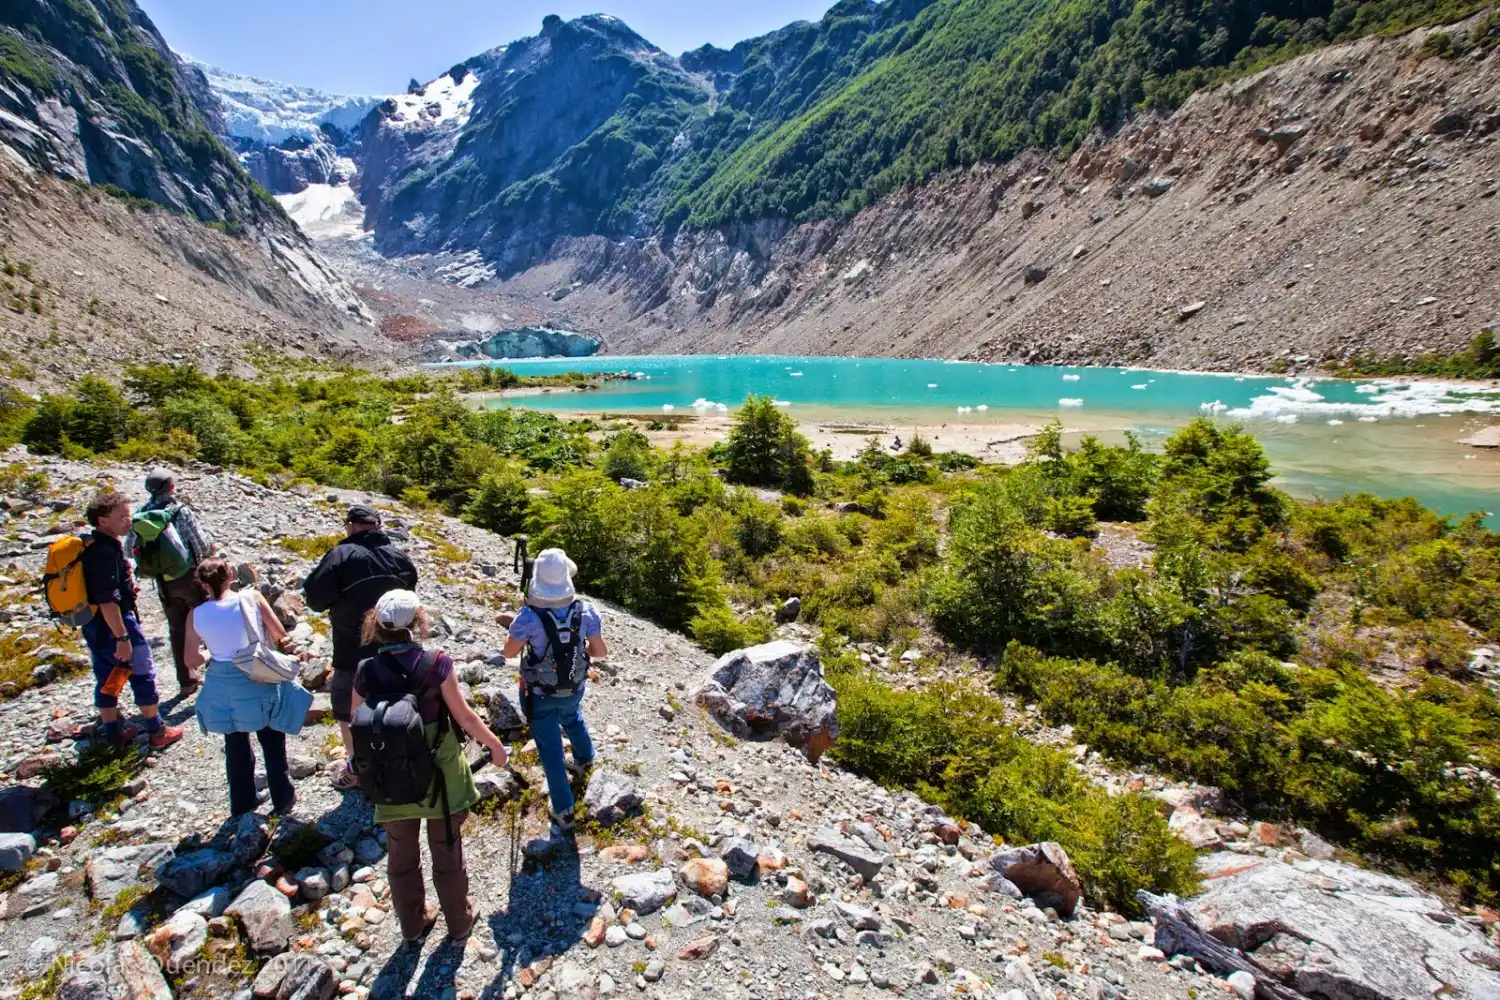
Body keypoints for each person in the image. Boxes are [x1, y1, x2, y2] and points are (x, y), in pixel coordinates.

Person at [351, 590, 506, 947]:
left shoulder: (365, 670)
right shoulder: (436, 663)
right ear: (416, 621)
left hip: (388, 773)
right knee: (446, 848)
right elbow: (464, 716)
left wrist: (356, 766)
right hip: (440, 774)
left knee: (401, 853)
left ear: (376, 623)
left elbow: (354, 720)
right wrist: (494, 747)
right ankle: (459, 921)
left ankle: (412, 924)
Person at [302, 505, 418, 791]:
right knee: (401, 701)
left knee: (347, 708)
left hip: (352, 647)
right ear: (378, 526)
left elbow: (314, 598)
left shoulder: (341, 555)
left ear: (351, 526)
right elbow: (411, 593)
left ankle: (357, 767)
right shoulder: (399, 556)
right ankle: (401, 760)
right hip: (398, 647)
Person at [185, 559, 307, 817]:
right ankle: (282, 797)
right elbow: (278, 634)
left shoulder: (195, 614)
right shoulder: (251, 598)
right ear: (230, 574)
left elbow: (191, 660)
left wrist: (212, 654)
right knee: (271, 738)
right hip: (255, 673)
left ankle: (242, 803)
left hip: (221, 681)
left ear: (203, 583)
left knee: (235, 742)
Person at [502, 548, 606, 836]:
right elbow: (600, 651)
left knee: (550, 750)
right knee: (573, 718)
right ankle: (585, 758)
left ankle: (564, 809)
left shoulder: (528, 616)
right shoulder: (585, 611)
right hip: (573, 686)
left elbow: (509, 652)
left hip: (540, 693)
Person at [80, 491, 184, 748]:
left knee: (106, 675)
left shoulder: (92, 546)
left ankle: (112, 733)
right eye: (122, 517)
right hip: (116, 624)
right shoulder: (105, 552)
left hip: (94, 624)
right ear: (103, 521)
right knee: (142, 671)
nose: (129, 521)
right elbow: (107, 599)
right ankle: (157, 731)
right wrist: (122, 637)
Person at [135, 468, 214, 693]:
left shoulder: (142, 515)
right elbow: (200, 544)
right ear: (171, 487)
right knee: (208, 622)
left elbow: (131, 549)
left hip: (163, 581)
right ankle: (219, 670)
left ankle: (187, 680)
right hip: (190, 576)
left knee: (176, 627)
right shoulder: (181, 511)